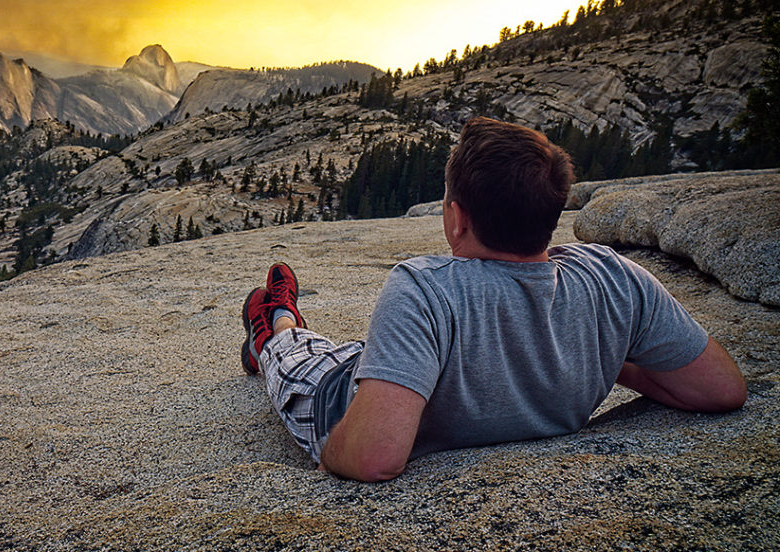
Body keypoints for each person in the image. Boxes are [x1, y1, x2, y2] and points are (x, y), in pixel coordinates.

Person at [240, 117, 747, 483]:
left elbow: (374, 456)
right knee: (364, 354)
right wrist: (603, 354)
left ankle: (275, 323)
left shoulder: (423, 288)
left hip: (337, 401)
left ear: (457, 218)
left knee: (298, 357)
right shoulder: (614, 278)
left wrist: (327, 452)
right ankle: (287, 319)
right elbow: (722, 387)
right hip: (399, 375)